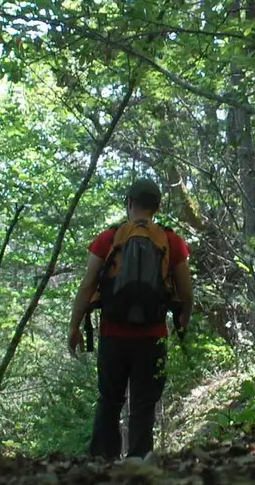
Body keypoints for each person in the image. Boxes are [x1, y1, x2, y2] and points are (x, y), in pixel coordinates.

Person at [68, 179, 192, 460]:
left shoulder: (109, 237)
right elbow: (185, 291)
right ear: (157, 206)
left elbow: (88, 285)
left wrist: (74, 326)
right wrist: (184, 319)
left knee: (109, 400)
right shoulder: (171, 240)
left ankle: (101, 463)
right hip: (153, 335)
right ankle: (138, 462)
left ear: (129, 203)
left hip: (113, 334)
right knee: (143, 404)